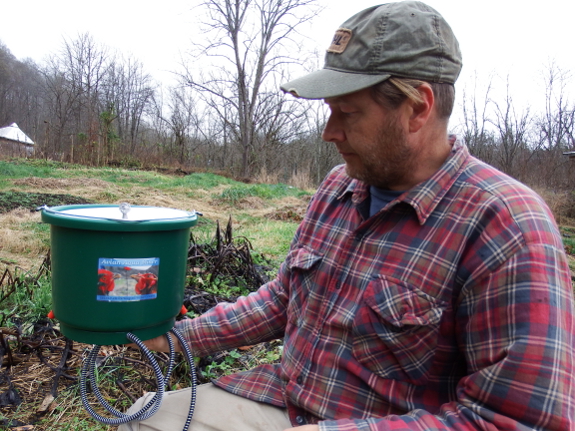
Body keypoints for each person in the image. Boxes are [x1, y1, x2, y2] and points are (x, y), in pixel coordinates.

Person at [120, 2, 575, 430]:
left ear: (417, 107)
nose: (328, 132)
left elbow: (515, 420)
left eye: (347, 112)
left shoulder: (507, 228)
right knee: (144, 416)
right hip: (284, 401)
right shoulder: (341, 186)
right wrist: (179, 336)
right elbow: (284, 298)